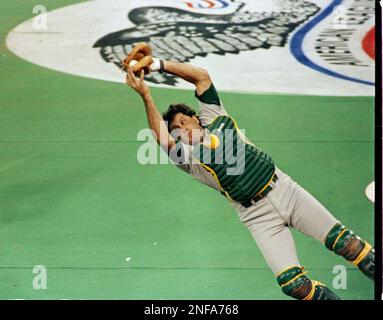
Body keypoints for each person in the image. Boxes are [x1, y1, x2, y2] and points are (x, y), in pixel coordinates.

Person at [125, 44, 374, 300]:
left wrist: (158, 65)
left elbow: (201, 77)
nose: (182, 129)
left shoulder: (215, 116)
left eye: (184, 121)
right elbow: (163, 141)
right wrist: (146, 95)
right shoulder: (188, 159)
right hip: (256, 215)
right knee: (294, 285)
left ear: (196, 118)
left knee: (349, 245)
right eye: (176, 129)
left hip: (285, 191)